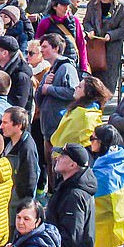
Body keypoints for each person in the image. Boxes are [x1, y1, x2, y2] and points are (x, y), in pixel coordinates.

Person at [46, 143, 95, 247]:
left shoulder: (74, 196)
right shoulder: (67, 186)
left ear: (73, 165)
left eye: (62, 156)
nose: (57, 158)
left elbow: (69, 238)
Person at [34, 34, 76, 162]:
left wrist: (49, 89)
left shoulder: (67, 68)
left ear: (56, 48)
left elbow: (73, 92)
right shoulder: (49, 70)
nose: (41, 50)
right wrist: (43, 87)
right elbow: (38, 97)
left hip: (60, 128)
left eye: (45, 46)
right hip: (48, 129)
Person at [82, 0, 124, 93]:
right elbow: (86, 21)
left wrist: (111, 35)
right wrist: (90, 30)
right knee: (94, 76)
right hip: (96, 46)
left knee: (110, 78)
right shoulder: (92, 4)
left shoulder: (121, 7)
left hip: (112, 48)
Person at [0, 106, 39, 221]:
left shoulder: (27, 149)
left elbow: (29, 184)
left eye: (5, 123)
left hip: (15, 210)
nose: (1, 126)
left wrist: (23, 211)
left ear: (18, 125)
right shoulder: (9, 140)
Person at [35, 0, 86, 73]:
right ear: (54, 6)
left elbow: (81, 44)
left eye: (68, 5)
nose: (66, 8)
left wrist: (84, 67)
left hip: (72, 63)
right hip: (52, 65)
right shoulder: (45, 22)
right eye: (63, 5)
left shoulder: (75, 21)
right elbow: (38, 43)